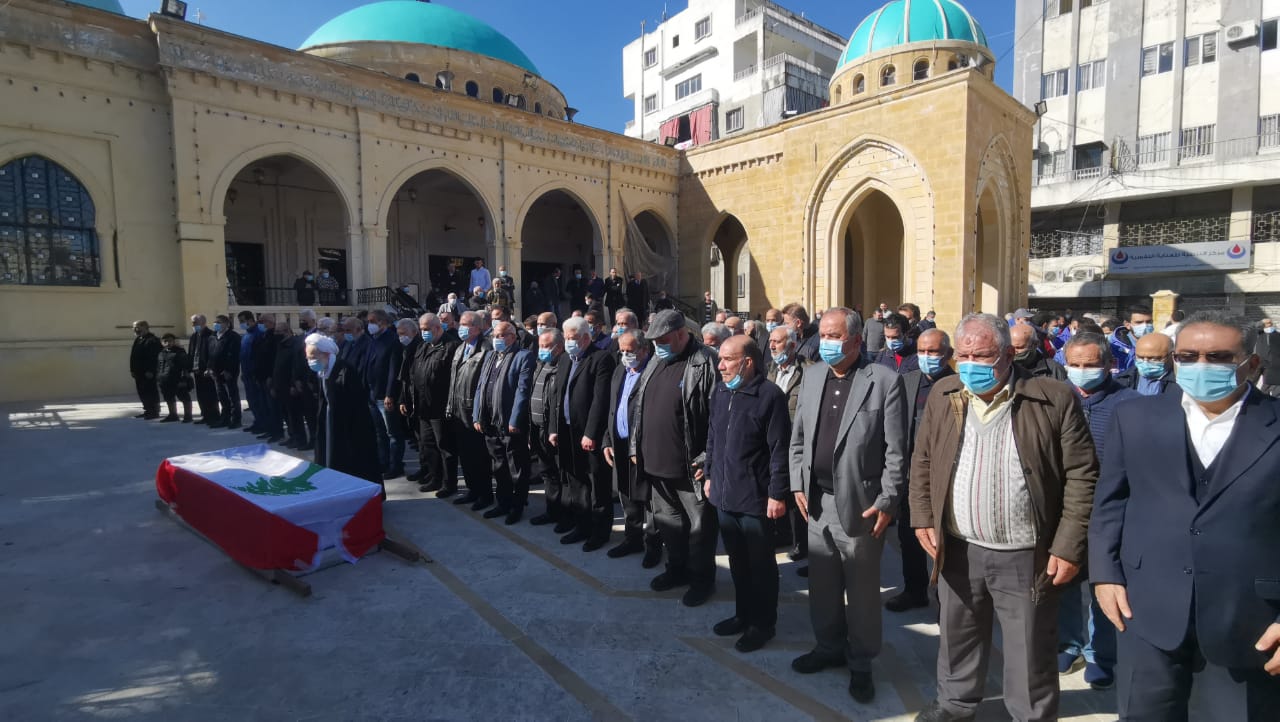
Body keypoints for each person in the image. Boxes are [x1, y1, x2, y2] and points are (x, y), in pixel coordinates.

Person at [1091, 311, 1280, 719]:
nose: (1201, 366)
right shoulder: (1136, 417)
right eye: (1188, 356)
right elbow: (1111, 503)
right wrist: (1104, 575)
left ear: (1251, 364)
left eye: (1218, 357)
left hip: (1249, 619)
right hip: (1146, 608)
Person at [911, 313, 1098, 722]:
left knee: (1029, 646)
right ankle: (955, 704)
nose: (970, 365)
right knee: (957, 636)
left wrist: (1069, 545)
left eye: (982, 355)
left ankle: (1031, 714)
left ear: (1009, 354)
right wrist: (923, 514)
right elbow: (923, 459)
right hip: (958, 548)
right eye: (963, 356)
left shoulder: (1053, 398)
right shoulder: (945, 393)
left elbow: (1082, 476)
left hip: (1025, 553)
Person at [788, 307, 908, 704]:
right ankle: (828, 647)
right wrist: (797, 483)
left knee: (861, 592)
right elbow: (798, 439)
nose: (826, 343)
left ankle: (860, 662)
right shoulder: (813, 376)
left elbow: (896, 451)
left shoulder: (884, 381)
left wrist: (888, 500)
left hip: (861, 504)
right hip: (816, 501)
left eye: (834, 336)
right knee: (822, 585)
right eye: (823, 335)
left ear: (856, 340)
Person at [1053, 332, 1139, 690]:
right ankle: (1067, 643)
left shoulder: (1131, 404)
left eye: (1090, 365)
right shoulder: (1054, 397)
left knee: (1106, 581)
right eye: (1074, 364)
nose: (1082, 371)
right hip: (1064, 507)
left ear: (1109, 364)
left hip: (1112, 508)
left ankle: (1100, 655)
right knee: (1063, 579)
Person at [702, 335, 791, 653]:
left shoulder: (770, 396)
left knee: (761, 565)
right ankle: (743, 614)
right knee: (737, 561)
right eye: (720, 359)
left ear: (748, 362)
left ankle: (763, 624)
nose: (720, 366)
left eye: (728, 359)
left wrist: (777, 493)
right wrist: (709, 474)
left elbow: (779, 449)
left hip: (755, 498)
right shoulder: (720, 391)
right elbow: (713, 436)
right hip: (724, 494)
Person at [632, 309, 719, 606]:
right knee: (669, 525)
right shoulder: (656, 360)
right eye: (654, 341)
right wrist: (636, 447)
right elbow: (641, 407)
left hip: (690, 468)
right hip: (656, 464)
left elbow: (718, 417)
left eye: (664, 340)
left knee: (699, 530)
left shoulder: (705, 361)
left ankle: (702, 580)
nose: (658, 346)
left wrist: (707, 458)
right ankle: (677, 569)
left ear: (682, 334)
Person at [885, 328, 955, 613]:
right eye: (922, 351)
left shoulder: (959, 385)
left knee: (945, 542)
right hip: (911, 474)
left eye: (934, 351)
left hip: (945, 477)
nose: (927, 357)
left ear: (948, 354)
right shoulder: (907, 381)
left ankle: (947, 601)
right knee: (909, 536)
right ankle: (914, 590)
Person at [550, 317, 618, 550]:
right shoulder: (565, 360)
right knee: (576, 481)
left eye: (573, 338)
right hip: (567, 431)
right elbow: (557, 396)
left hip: (590, 435)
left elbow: (601, 400)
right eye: (567, 338)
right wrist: (554, 428)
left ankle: (600, 532)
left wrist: (591, 433)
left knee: (598, 484)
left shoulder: (601, 358)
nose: (569, 342)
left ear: (586, 338)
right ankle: (582, 525)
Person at [603, 328, 664, 566]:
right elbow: (613, 407)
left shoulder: (654, 372)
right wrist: (608, 440)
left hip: (642, 448)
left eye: (629, 351)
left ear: (644, 349)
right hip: (619, 444)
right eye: (622, 351)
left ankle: (654, 545)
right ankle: (632, 538)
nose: (625, 355)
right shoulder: (620, 370)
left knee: (649, 500)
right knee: (626, 495)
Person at [472, 320, 535, 524]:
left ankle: (517, 505)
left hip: (510, 422)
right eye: (494, 336)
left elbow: (522, 390)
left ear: (513, 337)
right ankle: (503, 502)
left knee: (516, 466)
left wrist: (515, 419)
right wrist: (477, 415)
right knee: (498, 465)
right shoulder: (490, 356)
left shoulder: (523, 356)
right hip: (490, 420)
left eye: (501, 335)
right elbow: (481, 386)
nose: (496, 339)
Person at [304, 333, 382, 492]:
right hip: (330, 421)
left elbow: (355, 404)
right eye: (308, 358)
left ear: (326, 354)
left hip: (349, 426)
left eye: (313, 357)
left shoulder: (345, 371)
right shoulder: (324, 371)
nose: (310, 361)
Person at [401, 313, 459, 494]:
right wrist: (407, 399)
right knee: (428, 445)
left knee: (445, 447)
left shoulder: (450, 346)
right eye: (421, 329)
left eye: (427, 329)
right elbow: (412, 374)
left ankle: (449, 483)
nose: (424, 332)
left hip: (440, 406)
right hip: (422, 406)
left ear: (437, 327)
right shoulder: (423, 346)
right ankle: (435, 477)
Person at [766, 325, 806, 565]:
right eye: (771, 341)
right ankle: (781, 534)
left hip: (796, 442)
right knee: (777, 487)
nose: (772, 346)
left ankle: (802, 544)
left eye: (777, 342)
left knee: (798, 493)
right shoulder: (769, 370)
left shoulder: (808, 371)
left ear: (792, 345)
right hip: (774, 441)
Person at [447, 311, 494, 509]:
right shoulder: (460, 348)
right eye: (461, 324)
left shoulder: (486, 349)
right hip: (458, 410)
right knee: (465, 455)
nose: (461, 328)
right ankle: (472, 490)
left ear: (477, 328)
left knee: (479, 456)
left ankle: (485, 494)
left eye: (466, 325)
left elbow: (486, 384)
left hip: (474, 412)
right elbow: (453, 380)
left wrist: (480, 413)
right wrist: (450, 405)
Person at [529, 326, 566, 528]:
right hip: (537, 427)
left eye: (546, 346)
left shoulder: (563, 367)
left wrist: (554, 428)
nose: (542, 350)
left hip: (553, 430)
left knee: (558, 472)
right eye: (540, 346)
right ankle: (552, 510)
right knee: (546, 471)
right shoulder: (541, 364)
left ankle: (563, 512)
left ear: (558, 347)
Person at [1114, 331, 1177, 396]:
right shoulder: (1123, 380)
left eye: (1153, 358)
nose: (1145, 363)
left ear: (1172, 356)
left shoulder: (1180, 382)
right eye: (1140, 357)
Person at [250, 314, 280, 441]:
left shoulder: (275, 337)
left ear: (270, 322)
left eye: (262, 322)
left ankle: (276, 432)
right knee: (265, 405)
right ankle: (268, 429)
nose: (260, 324)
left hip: (269, 377)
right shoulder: (263, 336)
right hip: (260, 376)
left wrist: (270, 376)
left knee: (273, 406)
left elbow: (273, 360)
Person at [209, 314, 242, 428]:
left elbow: (233, 355)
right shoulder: (213, 336)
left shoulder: (233, 337)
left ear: (227, 324)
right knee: (222, 396)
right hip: (216, 372)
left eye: (219, 322)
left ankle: (236, 420)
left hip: (228, 372)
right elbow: (211, 354)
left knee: (232, 396)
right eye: (215, 322)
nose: (216, 324)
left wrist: (228, 369)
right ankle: (225, 418)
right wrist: (209, 368)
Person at [188, 315, 219, 425]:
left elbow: (212, 354)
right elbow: (191, 353)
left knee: (210, 393)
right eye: (192, 322)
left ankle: (214, 415)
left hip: (207, 370)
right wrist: (189, 367)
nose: (193, 325)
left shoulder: (211, 335)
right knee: (200, 394)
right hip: (197, 369)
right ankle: (205, 414)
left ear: (203, 323)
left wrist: (209, 367)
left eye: (195, 322)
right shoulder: (194, 336)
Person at [156, 333, 193, 423]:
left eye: (170, 341)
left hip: (177, 379)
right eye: (165, 341)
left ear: (174, 341)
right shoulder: (161, 353)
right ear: (162, 342)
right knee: (168, 397)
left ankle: (188, 416)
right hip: (165, 379)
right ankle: (173, 415)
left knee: (184, 397)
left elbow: (185, 366)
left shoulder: (179, 352)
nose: (168, 343)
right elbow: (159, 366)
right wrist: (159, 377)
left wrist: (183, 379)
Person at [129, 320, 162, 419]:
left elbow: (154, 358)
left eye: (137, 327)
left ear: (145, 327)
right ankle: (147, 410)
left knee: (150, 391)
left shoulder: (152, 340)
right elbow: (133, 356)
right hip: (139, 372)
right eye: (134, 327)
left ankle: (154, 411)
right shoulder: (138, 339)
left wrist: (151, 371)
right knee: (142, 391)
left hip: (148, 372)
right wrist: (132, 370)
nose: (135, 329)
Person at [1257, 317, 1280, 397]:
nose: (1268, 325)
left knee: (1272, 385)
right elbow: (1255, 327)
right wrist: (1261, 323)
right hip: (1260, 363)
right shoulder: (1260, 334)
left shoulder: (1277, 335)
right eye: (1265, 324)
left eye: (1269, 323)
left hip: (1274, 365)